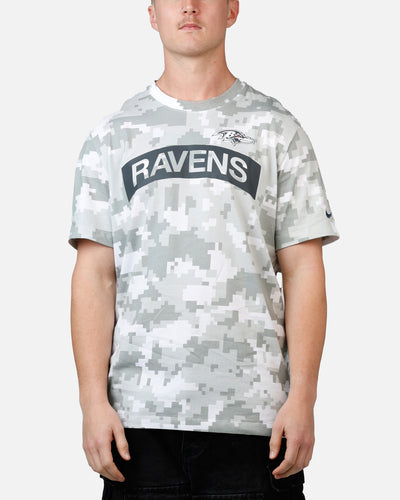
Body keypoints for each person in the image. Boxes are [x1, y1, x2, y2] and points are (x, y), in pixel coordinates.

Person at [69, 1, 339, 498]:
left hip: (257, 426)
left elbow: (304, 270)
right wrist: (91, 402)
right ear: (152, 14)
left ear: (232, 9)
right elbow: (96, 274)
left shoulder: (277, 129)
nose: (189, 5)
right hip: (137, 426)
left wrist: (304, 397)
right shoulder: (112, 135)